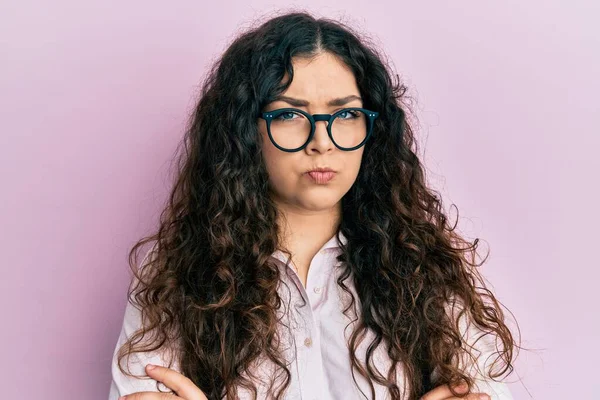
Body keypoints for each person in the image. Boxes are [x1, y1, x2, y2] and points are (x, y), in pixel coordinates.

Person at [108, 10, 519, 400]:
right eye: (289, 115)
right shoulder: (174, 270)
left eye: (345, 115)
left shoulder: (428, 261)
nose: (321, 142)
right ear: (246, 130)